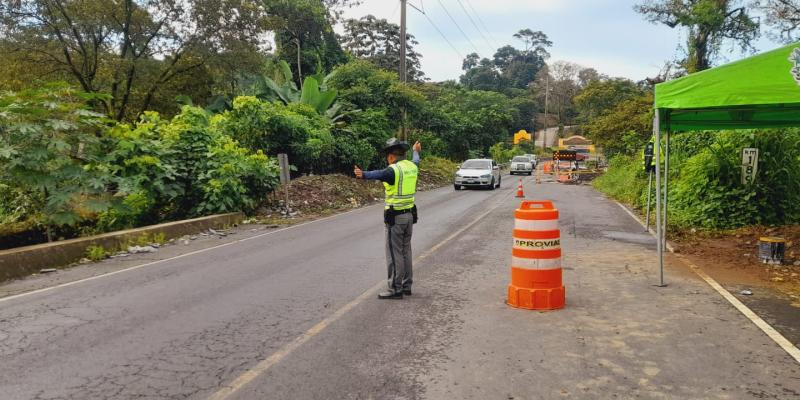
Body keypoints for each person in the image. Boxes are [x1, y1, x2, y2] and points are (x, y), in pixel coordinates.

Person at [354, 139, 421, 300]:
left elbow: (379, 173)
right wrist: (416, 150)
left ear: (391, 157)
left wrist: (363, 174)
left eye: (387, 157)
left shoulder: (393, 170)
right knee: (406, 251)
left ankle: (395, 289)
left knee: (394, 253)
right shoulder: (412, 166)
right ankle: (406, 286)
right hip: (409, 216)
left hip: (395, 218)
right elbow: (416, 159)